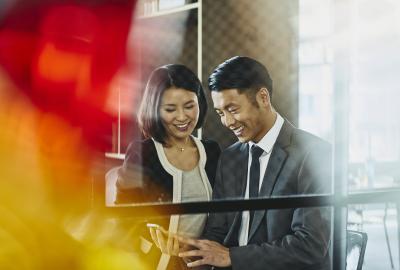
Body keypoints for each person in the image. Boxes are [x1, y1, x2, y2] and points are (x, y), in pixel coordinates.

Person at [175, 56, 332, 270]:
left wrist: (233, 257)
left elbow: (309, 245)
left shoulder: (313, 154)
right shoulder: (230, 158)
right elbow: (218, 232)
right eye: (221, 113)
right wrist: (189, 251)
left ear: (263, 98)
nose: (227, 122)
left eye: (233, 109)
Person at [115, 64, 221, 270]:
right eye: (170, 109)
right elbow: (123, 217)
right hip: (154, 263)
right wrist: (151, 234)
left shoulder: (212, 151)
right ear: (155, 109)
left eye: (189, 106)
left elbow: (224, 218)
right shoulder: (142, 153)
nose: (182, 117)